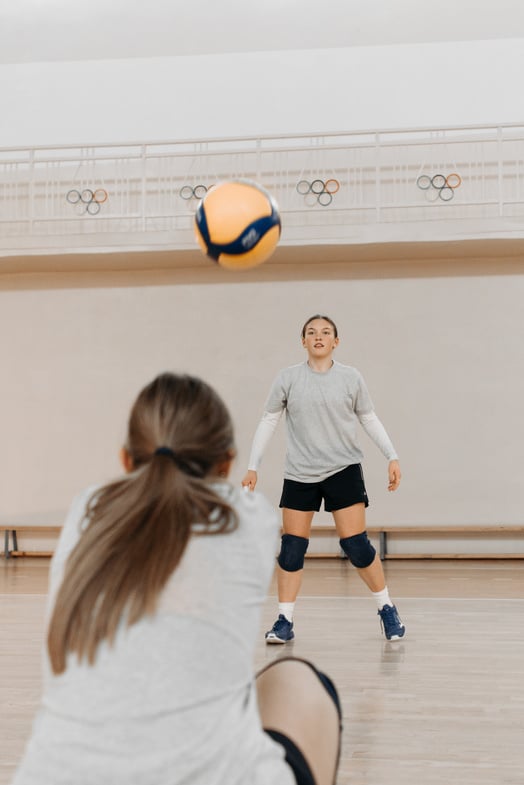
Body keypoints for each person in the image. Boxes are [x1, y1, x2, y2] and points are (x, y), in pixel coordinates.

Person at [12, 373, 342, 785]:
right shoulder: (249, 517)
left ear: (126, 459)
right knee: (298, 679)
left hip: (49, 776)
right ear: (226, 462)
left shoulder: (86, 510)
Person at [242, 315, 405, 643]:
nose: (319, 336)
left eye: (326, 332)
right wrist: (252, 466)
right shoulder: (288, 378)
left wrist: (391, 455)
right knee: (291, 548)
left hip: (343, 469)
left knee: (356, 546)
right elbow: (268, 421)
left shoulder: (350, 377)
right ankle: (284, 622)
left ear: (336, 342)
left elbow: (369, 418)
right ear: (303, 341)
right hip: (300, 473)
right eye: (311, 333)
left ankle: (386, 608)